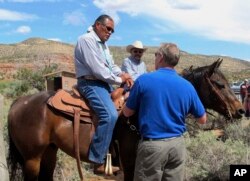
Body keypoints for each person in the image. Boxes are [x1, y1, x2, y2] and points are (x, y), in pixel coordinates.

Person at [123, 43, 207, 181]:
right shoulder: (188, 86)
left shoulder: (144, 80)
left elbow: (127, 113)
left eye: (156, 55)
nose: (155, 58)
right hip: (177, 146)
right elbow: (202, 119)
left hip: (152, 147)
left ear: (161, 57)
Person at [74, 14, 133, 174]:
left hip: (103, 83)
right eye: (108, 29)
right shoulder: (86, 40)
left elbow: (110, 65)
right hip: (90, 83)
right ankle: (97, 160)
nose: (110, 33)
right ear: (98, 25)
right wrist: (118, 78)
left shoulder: (103, 45)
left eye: (112, 31)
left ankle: (115, 154)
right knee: (110, 115)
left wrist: (124, 74)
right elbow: (97, 70)